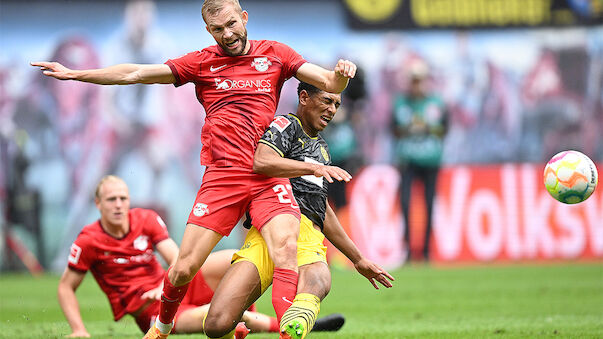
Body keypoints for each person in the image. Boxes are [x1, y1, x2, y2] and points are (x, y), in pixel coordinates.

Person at [31, 1, 357, 338]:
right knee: (184, 268)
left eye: (232, 24)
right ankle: (162, 327)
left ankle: (290, 333)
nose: (227, 34)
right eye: (218, 29)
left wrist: (342, 77)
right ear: (209, 31)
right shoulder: (202, 63)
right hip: (223, 177)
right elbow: (136, 73)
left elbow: (330, 82)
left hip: (266, 173)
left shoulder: (275, 54)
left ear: (244, 18)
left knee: (286, 249)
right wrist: (75, 74)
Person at [203, 82, 394, 339]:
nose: (332, 109)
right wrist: (313, 169)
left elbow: (321, 209)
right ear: (304, 97)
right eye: (326, 101)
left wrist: (358, 259)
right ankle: (273, 323)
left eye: (337, 104)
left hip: (305, 235)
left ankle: (297, 324)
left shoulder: (322, 148)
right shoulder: (286, 126)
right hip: (268, 232)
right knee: (215, 325)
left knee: (315, 282)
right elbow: (262, 161)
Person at [57, 175, 278, 338]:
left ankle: (244, 317)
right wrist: (79, 329)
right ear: (98, 204)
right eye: (111, 199)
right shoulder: (89, 240)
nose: (118, 205)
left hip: (173, 288)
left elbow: (177, 259)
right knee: (218, 315)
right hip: (151, 310)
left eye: (123, 199)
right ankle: (276, 324)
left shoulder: (145, 219)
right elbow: (66, 287)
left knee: (234, 258)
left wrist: (163, 287)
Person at [391, 61, 448, 262]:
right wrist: (409, 128)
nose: (416, 85)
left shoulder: (436, 102)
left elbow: (444, 130)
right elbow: (394, 130)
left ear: (425, 81)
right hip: (407, 160)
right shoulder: (401, 103)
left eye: (419, 81)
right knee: (405, 203)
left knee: (429, 205)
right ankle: (407, 250)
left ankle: (425, 251)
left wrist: (426, 128)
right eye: (414, 81)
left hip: (431, 160)